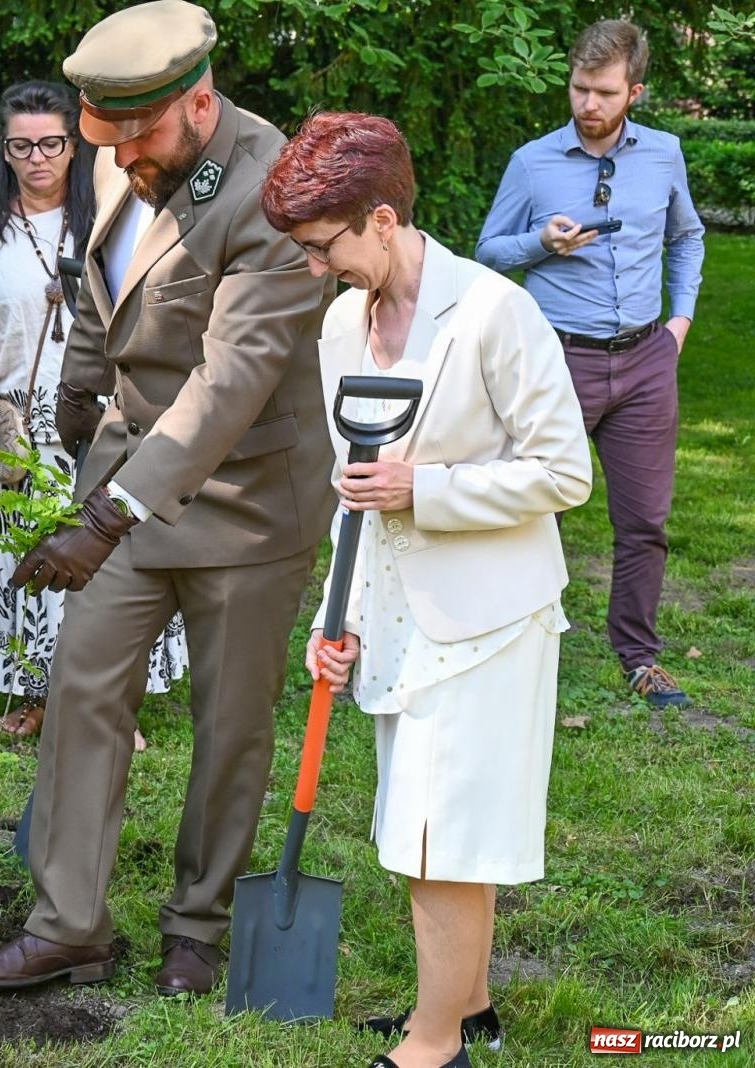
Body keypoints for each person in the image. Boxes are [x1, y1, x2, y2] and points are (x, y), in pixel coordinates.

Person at [0, 0, 336, 999]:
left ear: (198, 102)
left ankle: (196, 925)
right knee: (80, 689)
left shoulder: (269, 191)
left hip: (244, 502)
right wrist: (80, 402)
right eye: (104, 139)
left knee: (228, 723)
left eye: (138, 137)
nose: (120, 160)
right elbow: (99, 291)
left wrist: (106, 515)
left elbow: (230, 381)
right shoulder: (133, 155)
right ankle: (68, 922)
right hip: (123, 484)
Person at [263, 112, 593, 1068]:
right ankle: (473, 1005)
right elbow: (354, 485)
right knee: (426, 819)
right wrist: (344, 616)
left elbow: (564, 471)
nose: (320, 268)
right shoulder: (341, 323)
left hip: (491, 615)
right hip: (400, 611)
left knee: (437, 835)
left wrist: (430, 489)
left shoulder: (496, 312)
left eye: (326, 248)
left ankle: (435, 1042)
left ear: (381, 217)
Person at [0, 80, 187, 745]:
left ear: (75, 145)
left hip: (107, 417)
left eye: (51, 143)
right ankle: (43, 696)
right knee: (35, 559)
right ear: (5, 149)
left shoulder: (114, 216)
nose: (38, 158)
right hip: (19, 424)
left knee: (114, 561)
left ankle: (113, 702)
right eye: (22, 146)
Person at [476, 19, 704, 709]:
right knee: (528, 510)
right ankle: (505, 643)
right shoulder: (532, 161)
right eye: (579, 88)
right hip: (557, 363)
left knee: (644, 523)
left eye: (604, 92)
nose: (588, 105)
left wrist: (679, 325)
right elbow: (487, 251)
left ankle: (639, 656)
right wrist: (540, 244)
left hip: (645, 362)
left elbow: (686, 236)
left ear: (634, 90)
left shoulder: (664, 155)